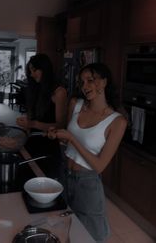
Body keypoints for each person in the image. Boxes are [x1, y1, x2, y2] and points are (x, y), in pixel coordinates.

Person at [48, 62, 127, 242]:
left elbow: (99, 166)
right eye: (81, 82)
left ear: (104, 82)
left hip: (87, 183)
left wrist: (72, 138)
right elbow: (65, 140)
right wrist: (57, 135)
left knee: (91, 237)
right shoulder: (76, 104)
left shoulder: (117, 122)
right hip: (64, 174)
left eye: (90, 80)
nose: (84, 87)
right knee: (63, 229)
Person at [16, 53, 68, 177]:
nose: (32, 74)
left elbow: (61, 125)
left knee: (45, 184)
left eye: (35, 70)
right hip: (31, 142)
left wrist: (33, 124)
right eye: (30, 71)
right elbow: (32, 117)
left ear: (45, 69)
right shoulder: (35, 88)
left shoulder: (59, 92)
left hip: (49, 146)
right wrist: (26, 126)